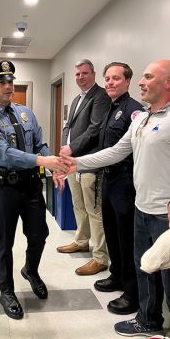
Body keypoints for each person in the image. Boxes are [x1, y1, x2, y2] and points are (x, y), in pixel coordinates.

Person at [59, 60, 170, 337]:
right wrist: (76, 164)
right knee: (143, 267)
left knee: (168, 276)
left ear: (167, 83)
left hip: (164, 213)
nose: (142, 82)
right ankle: (147, 320)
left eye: (147, 76)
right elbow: (115, 152)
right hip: (141, 207)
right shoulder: (142, 118)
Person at [0, 60, 67, 320]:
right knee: (4, 242)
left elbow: (40, 142)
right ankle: (7, 291)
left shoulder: (26, 113)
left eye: (11, 81)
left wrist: (54, 166)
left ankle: (31, 269)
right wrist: (43, 161)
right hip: (3, 189)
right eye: (2, 82)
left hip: (30, 186)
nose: (8, 86)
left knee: (39, 234)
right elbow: (3, 154)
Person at [93, 62, 143, 316]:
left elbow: (125, 152)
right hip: (109, 180)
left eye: (115, 78)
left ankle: (131, 292)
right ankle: (116, 276)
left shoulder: (134, 111)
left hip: (125, 182)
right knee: (111, 232)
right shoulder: (110, 109)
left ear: (127, 81)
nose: (110, 82)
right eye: (107, 78)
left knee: (126, 238)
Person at [56, 59, 111, 276]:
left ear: (94, 74)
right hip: (72, 163)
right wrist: (64, 149)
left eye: (85, 73)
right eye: (77, 74)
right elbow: (68, 126)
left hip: (89, 162)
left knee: (94, 210)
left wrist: (71, 148)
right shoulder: (77, 98)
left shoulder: (100, 96)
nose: (81, 77)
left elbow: (95, 129)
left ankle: (100, 257)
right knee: (78, 206)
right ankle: (81, 241)